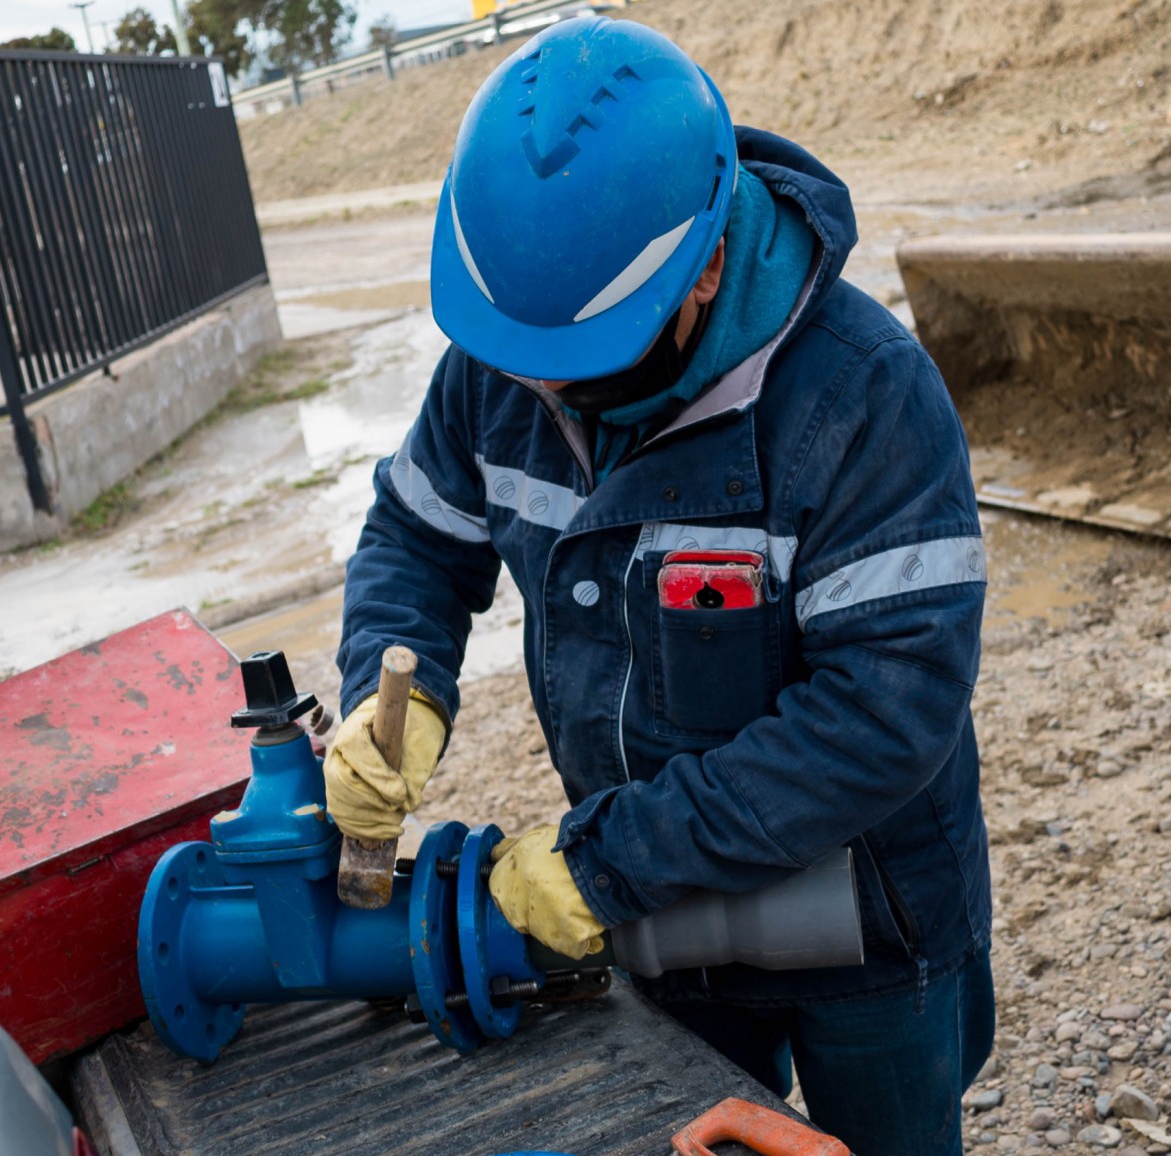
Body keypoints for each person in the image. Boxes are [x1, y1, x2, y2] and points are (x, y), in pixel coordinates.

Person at [322, 16, 992, 1154]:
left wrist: (601, 864)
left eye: (577, 362)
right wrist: (400, 686)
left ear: (708, 269)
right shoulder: (507, 364)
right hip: (658, 912)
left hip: (867, 922)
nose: (538, 389)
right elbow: (415, 538)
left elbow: (884, 714)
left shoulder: (863, 399)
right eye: (521, 353)